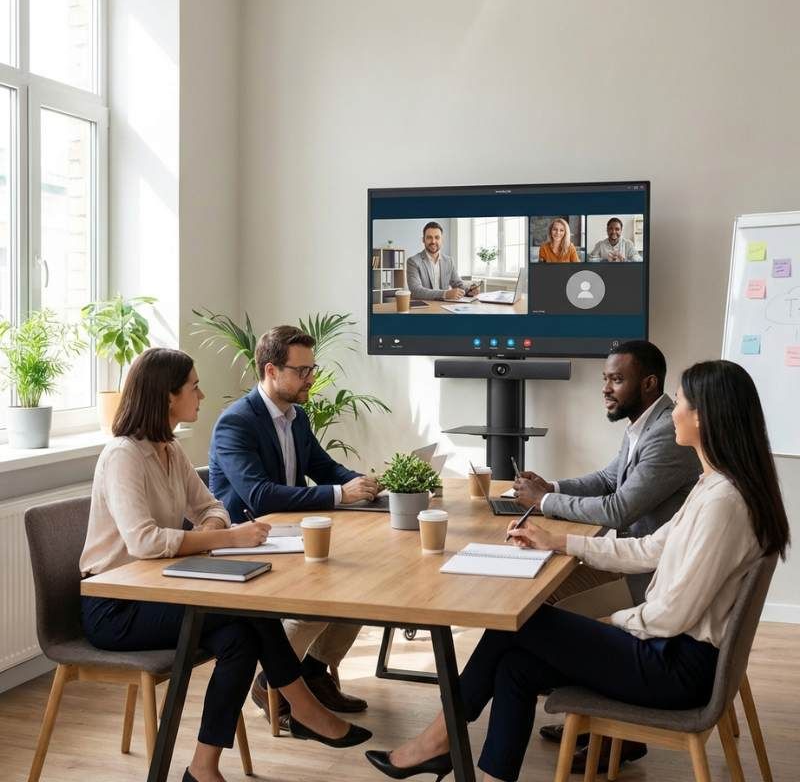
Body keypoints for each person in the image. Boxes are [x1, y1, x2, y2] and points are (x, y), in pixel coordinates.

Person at [365, 359, 790, 782]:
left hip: (673, 666)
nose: (672, 412)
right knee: (515, 665)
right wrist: (559, 542)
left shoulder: (723, 503)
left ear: (703, 417)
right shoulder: (714, 486)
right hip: (669, 651)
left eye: (679, 403)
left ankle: (437, 742)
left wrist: (612, 622)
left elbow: (675, 612)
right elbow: (649, 548)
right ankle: (468, 759)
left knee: (516, 623)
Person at [79, 348, 371, 782]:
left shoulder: (169, 449)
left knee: (240, 638)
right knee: (246, 612)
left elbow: (211, 507)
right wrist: (227, 537)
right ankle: (302, 705)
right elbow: (144, 541)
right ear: (167, 396)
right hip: (116, 605)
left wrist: (214, 527)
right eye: (194, 387)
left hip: (161, 587)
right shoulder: (124, 455)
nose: (201, 395)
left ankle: (203, 768)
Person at [513, 340, 702, 770]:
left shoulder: (667, 434)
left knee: (541, 599)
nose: (605, 388)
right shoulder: (643, 424)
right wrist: (552, 488)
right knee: (545, 588)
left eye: (617, 379)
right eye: (605, 379)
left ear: (648, 383)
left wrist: (544, 503)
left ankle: (611, 724)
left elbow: (619, 509)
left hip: (648, 577)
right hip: (634, 560)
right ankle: (588, 715)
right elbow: (607, 478)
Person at [209, 326, 378, 728]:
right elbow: (261, 496)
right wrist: (340, 494)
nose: (311, 378)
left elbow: (324, 468)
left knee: (361, 586)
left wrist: (364, 483)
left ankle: (313, 675)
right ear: (271, 370)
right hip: (248, 540)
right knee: (321, 600)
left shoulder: (296, 417)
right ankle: (272, 684)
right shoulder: (236, 423)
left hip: (288, 535)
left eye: (312, 369)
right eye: (302, 371)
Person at [406, 221, 480, 300]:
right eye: (429, 237)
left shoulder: (449, 261)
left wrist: (469, 290)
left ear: (441, 240)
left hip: (445, 305)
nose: (433, 241)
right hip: (424, 305)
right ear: (423, 240)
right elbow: (416, 291)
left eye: (437, 237)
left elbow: (458, 284)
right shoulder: (413, 261)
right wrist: (445, 294)